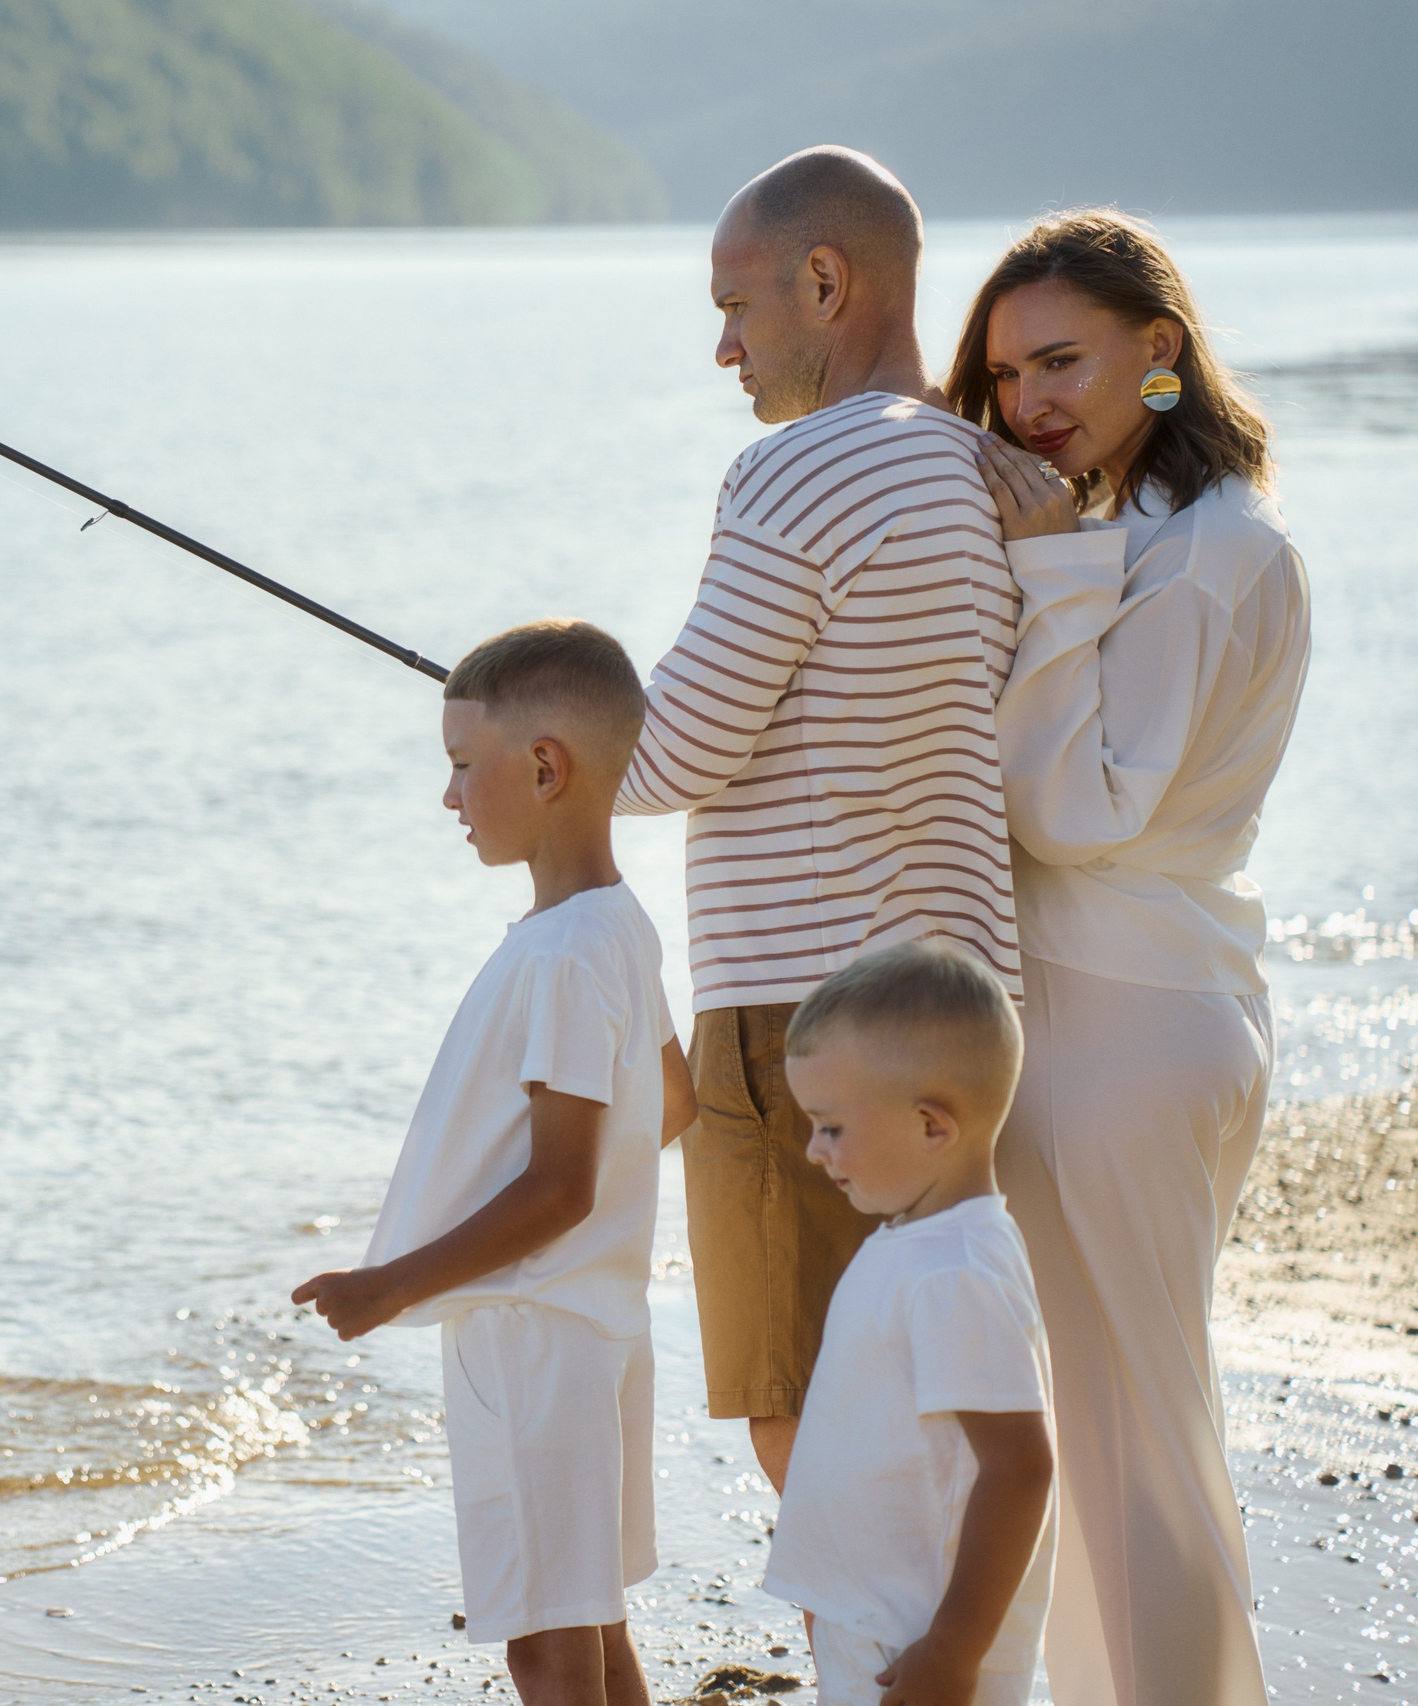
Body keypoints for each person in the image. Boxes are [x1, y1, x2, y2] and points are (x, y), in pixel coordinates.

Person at [616, 145, 1021, 1496]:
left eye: (736, 309)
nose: (724, 349)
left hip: (800, 1019)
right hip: (965, 1014)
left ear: (826, 279)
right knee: (932, 1393)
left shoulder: (794, 474)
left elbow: (670, 750)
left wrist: (538, 745)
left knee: (808, 1408)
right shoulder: (986, 470)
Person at [949, 210, 1310, 1706]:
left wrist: (1048, 579)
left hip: (1125, 1018)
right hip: (1142, 1004)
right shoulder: (1145, 528)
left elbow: (1083, 809)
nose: (1029, 400)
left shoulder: (1209, 551)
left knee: (1139, 1435)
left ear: (1159, 352)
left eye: (1061, 360)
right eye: (1004, 372)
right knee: (1106, 1422)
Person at [292, 619, 694, 1706]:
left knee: (538, 1635)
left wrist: (391, 1284)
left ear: (546, 766)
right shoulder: (616, 925)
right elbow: (674, 1099)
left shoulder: (562, 955)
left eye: (462, 766)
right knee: (589, 1613)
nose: (449, 796)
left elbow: (559, 1185)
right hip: (594, 1319)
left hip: (527, 1333)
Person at [768, 940, 1055, 1706]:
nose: (812, 1149)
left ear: (932, 1127)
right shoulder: (913, 1240)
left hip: (920, 1638)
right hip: (877, 1620)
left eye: (830, 1126)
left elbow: (1021, 1468)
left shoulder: (957, 1272)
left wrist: (955, 1651)